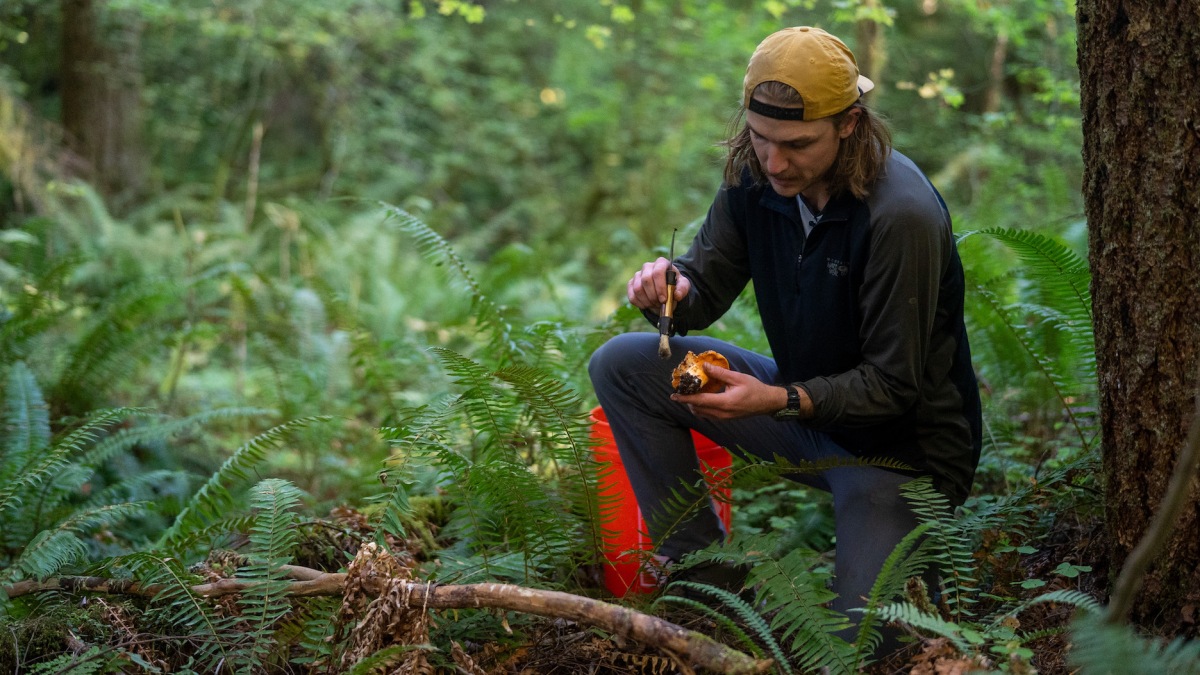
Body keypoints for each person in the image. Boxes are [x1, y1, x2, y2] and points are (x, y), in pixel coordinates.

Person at [588, 26, 982, 643]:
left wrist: (776, 399)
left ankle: (900, 558)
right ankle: (706, 583)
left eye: (797, 144)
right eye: (761, 138)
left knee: (859, 645)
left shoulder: (898, 215)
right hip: (803, 412)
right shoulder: (756, 175)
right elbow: (703, 288)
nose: (775, 162)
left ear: (849, 124)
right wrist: (672, 290)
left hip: (902, 454)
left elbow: (893, 385)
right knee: (623, 366)